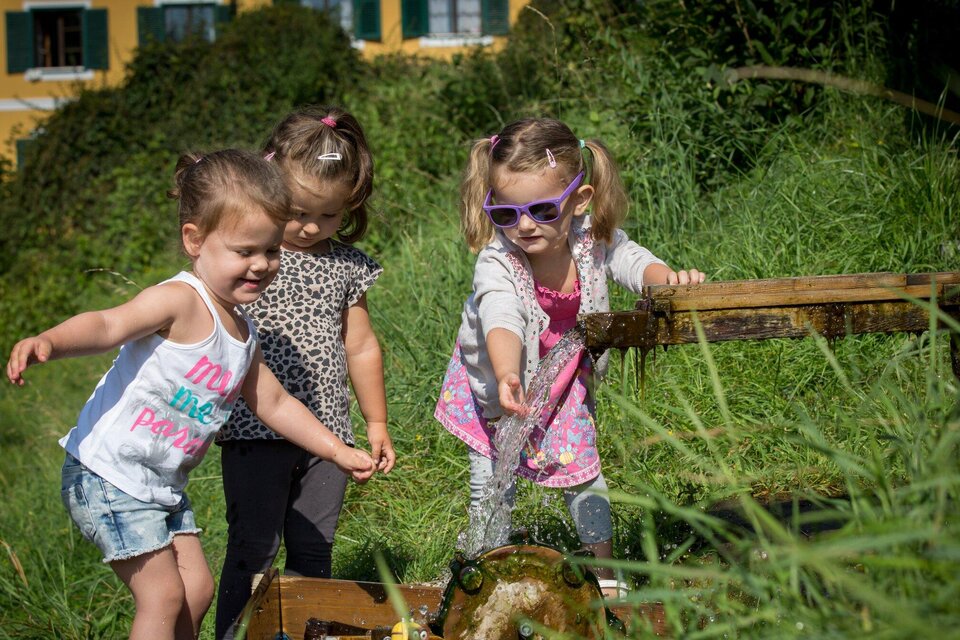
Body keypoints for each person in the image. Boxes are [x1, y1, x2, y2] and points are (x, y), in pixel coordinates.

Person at [5, 149, 377, 640]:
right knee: (162, 596)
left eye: (270, 251)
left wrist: (337, 449)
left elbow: (276, 404)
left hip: (159, 486)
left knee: (197, 590)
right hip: (110, 473)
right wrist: (49, 341)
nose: (261, 265)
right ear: (194, 240)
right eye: (244, 252)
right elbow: (109, 323)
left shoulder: (244, 334)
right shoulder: (181, 300)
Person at [434, 118, 705, 599]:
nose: (523, 225)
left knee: (584, 474)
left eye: (540, 209)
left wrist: (666, 282)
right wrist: (504, 374)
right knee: (491, 486)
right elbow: (501, 314)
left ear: (579, 201)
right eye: (505, 213)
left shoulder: (590, 239)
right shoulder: (498, 260)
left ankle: (603, 573)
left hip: (561, 384)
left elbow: (633, 261)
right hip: (499, 386)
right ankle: (483, 570)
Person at [214, 106, 395, 640]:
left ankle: (305, 632)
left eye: (330, 215)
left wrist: (376, 423)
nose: (312, 227)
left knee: (314, 546)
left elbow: (360, 346)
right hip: (254, 429)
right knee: (253, 548)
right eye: (297, 212)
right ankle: (239, 634)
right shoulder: (250, 256)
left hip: (328, 437)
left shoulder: (345, 265)